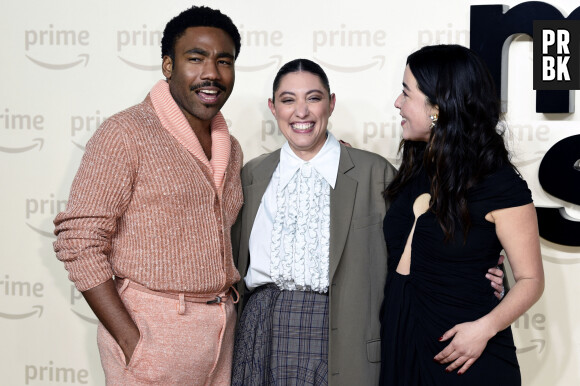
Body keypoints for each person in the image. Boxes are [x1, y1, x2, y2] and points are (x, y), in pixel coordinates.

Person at [230, 58, 506, 386]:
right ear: (273, 108)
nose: (301, 112)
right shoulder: (251, 174)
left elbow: (425, 248)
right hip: (260, 326)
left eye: (314, 98)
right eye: (288, 100)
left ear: (331, 104)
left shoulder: (376, 173)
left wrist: (482, 278)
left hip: (339, 330)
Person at [53, 6, 243, 385]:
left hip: (221, 333)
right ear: (168, 66)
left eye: (224, 61)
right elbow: (79, 241)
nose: (211, 73)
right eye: (195, 58)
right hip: (152, 329)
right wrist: (130, 339)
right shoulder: (126, 133)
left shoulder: (231, 147)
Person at [379, 44, 544, 385]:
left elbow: (531, 281)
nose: (398, 102)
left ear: (438, 107)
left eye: (406, 93)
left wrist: (484, 329)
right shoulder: (415, 170)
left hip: (465, 357)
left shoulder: (498, 184)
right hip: (402, 344)